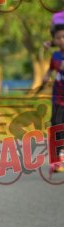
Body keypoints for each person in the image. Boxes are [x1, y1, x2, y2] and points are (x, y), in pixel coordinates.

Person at [41, 23, 64, 170]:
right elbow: (51, 68)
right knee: (56, 127)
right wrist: (46, 76)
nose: (61, 40)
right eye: (58, 38)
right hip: (58, 99)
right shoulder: (55, 55)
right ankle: (56, 161)